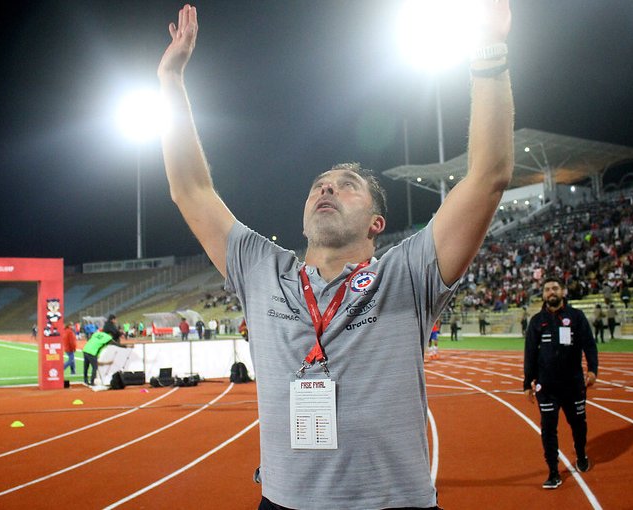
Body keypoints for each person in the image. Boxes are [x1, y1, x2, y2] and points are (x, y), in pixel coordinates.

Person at [156, 3, 514, 508]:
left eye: (347, 187)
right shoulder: (262, 270)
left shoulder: (407, 273)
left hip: (394, 503)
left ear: (376, 223)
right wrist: (171, 79)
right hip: (284, 502)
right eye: (319, 186)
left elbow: (489, 175)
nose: (327, 190)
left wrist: (489, 51)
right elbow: (190, 189)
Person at [524, 276, 598, 490]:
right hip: (547, 387)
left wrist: (593, 370)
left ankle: (581, 453)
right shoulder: (537, 321)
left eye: (555, 288)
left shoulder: (576, 317)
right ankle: (553, 471)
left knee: (578, 424)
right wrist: (527, 383)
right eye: (547, 289)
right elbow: (530, 354)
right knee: (548, 429)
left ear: (563, 291)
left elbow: (589, 345)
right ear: (544, 294)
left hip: (573, 385)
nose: (551, 292)